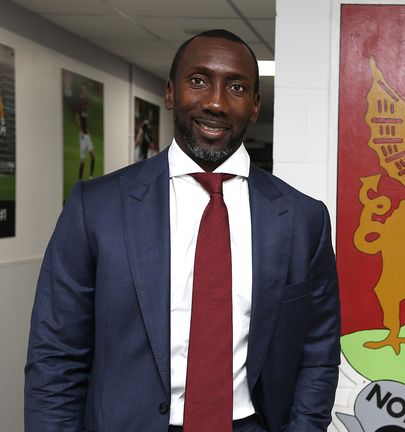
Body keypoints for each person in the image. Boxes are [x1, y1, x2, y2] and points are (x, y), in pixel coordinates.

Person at [25, 29, 341, 432]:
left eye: (237, 87)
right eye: (198, 81)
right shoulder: (96, 208)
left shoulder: (303, 218)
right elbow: (56, 355)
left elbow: (317, 351)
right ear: (171, 93)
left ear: (255, 106)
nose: (215, 102)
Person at [76, 84, 96, 179]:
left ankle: (91, 176)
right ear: (81, 92)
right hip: (83, 135)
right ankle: (79, 180)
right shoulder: (80, 103)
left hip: (87, 135)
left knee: (93, 156)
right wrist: (81, 131)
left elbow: (86, 119)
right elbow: (77, 117)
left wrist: (88, 129)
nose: (84, 92)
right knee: (82, 159)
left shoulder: (85, 104)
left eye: (85, 91)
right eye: (83, 91)